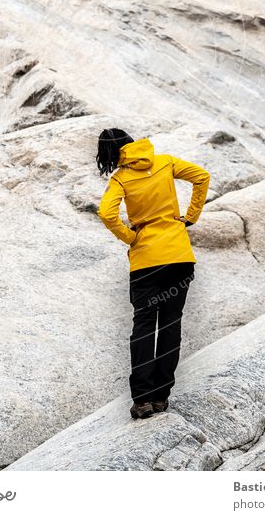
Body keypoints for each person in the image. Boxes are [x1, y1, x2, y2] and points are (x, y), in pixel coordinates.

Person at [96, 128, 210, 420]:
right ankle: (161, 396)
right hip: (179, 257)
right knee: (171, 324)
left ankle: (143, 399)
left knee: (145, 326)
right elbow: (201, 176)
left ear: (112, 153)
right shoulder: (165, 161)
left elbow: (107, 214)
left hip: (147, 262)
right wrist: (190, 217)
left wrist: (131, 238)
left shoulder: (120, 178)